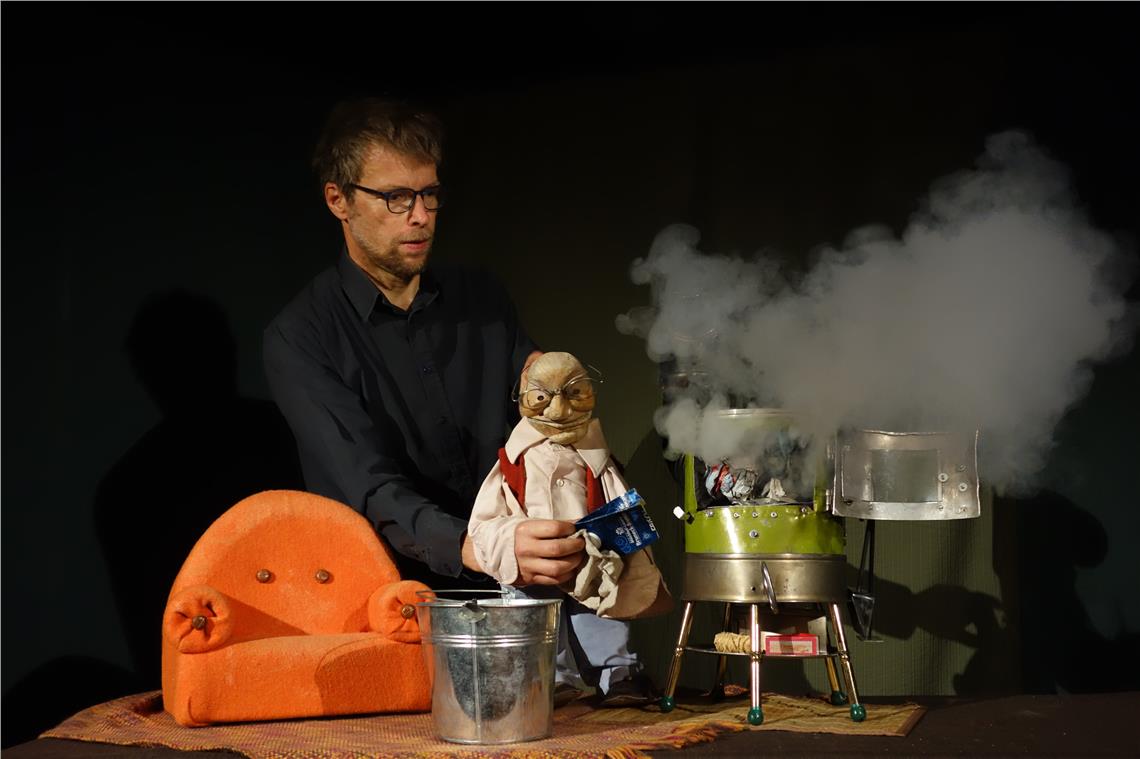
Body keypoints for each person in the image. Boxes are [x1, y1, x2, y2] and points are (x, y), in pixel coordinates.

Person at [263, 96, 558, 591]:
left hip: (514, 580)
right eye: (396, 197)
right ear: (338, 200)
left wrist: (548, 381)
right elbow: (369, 485)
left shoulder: (481, 297)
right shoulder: (301, 336)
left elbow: (534, 398)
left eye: (429, 194)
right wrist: (475, 546)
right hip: (393, 598)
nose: (420, 215)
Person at [468, 351, 669, 706]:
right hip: (532, 559)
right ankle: (552, 679)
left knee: (602, 610)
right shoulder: (512, 462)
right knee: (538, 621)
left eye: (573, 394)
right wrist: (504, 545)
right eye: (542, 397)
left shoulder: (597, 460)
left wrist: (632, 547)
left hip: (589, 554)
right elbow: (484, 518)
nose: (558, 411)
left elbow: (619, 500)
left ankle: (618, 675)